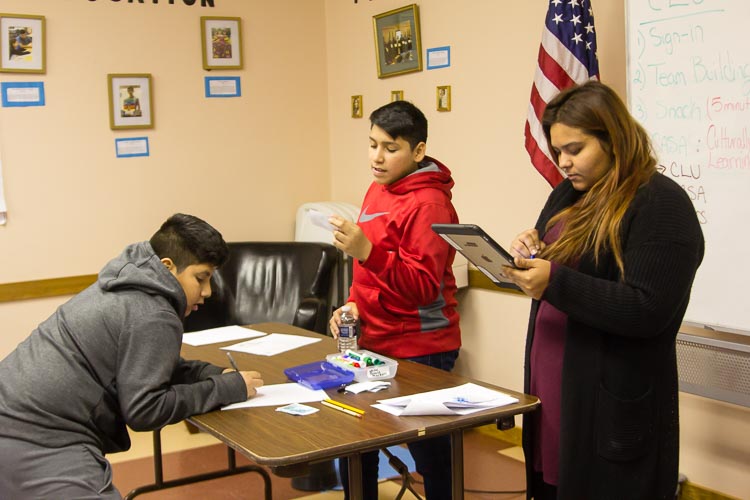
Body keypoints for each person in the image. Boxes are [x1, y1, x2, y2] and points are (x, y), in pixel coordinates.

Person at [502, 81, 704, 500]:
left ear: (612, 138)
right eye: (558, 152)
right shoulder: (568, 193)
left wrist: (555, 281)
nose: (563, 162)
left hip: (608, 400)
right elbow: (557, 250)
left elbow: (648, 308)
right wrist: (532, 245)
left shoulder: (659, 203)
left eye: (575, 149)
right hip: (554, 387)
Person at [0, 213, 264, 498]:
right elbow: (145, 410)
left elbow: (141, 365)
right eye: (201, 278)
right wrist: (227, 389)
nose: (207, 291)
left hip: (14, 414)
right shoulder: (155, 313)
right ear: (168, 267)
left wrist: (206, 374)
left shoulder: (125, 283)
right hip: (44, 438)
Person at [328, 100, 461, 500]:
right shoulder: (378, 188)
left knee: (432, 456)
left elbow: (422, 286)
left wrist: (367, 250)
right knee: (356, 444)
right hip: (375, 339)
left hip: (422, 347)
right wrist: (353, 304)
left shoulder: (430, 203)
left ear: (418, 151)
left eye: (390, 148)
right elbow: (369, 273)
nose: (377, 157)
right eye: (372, 145)